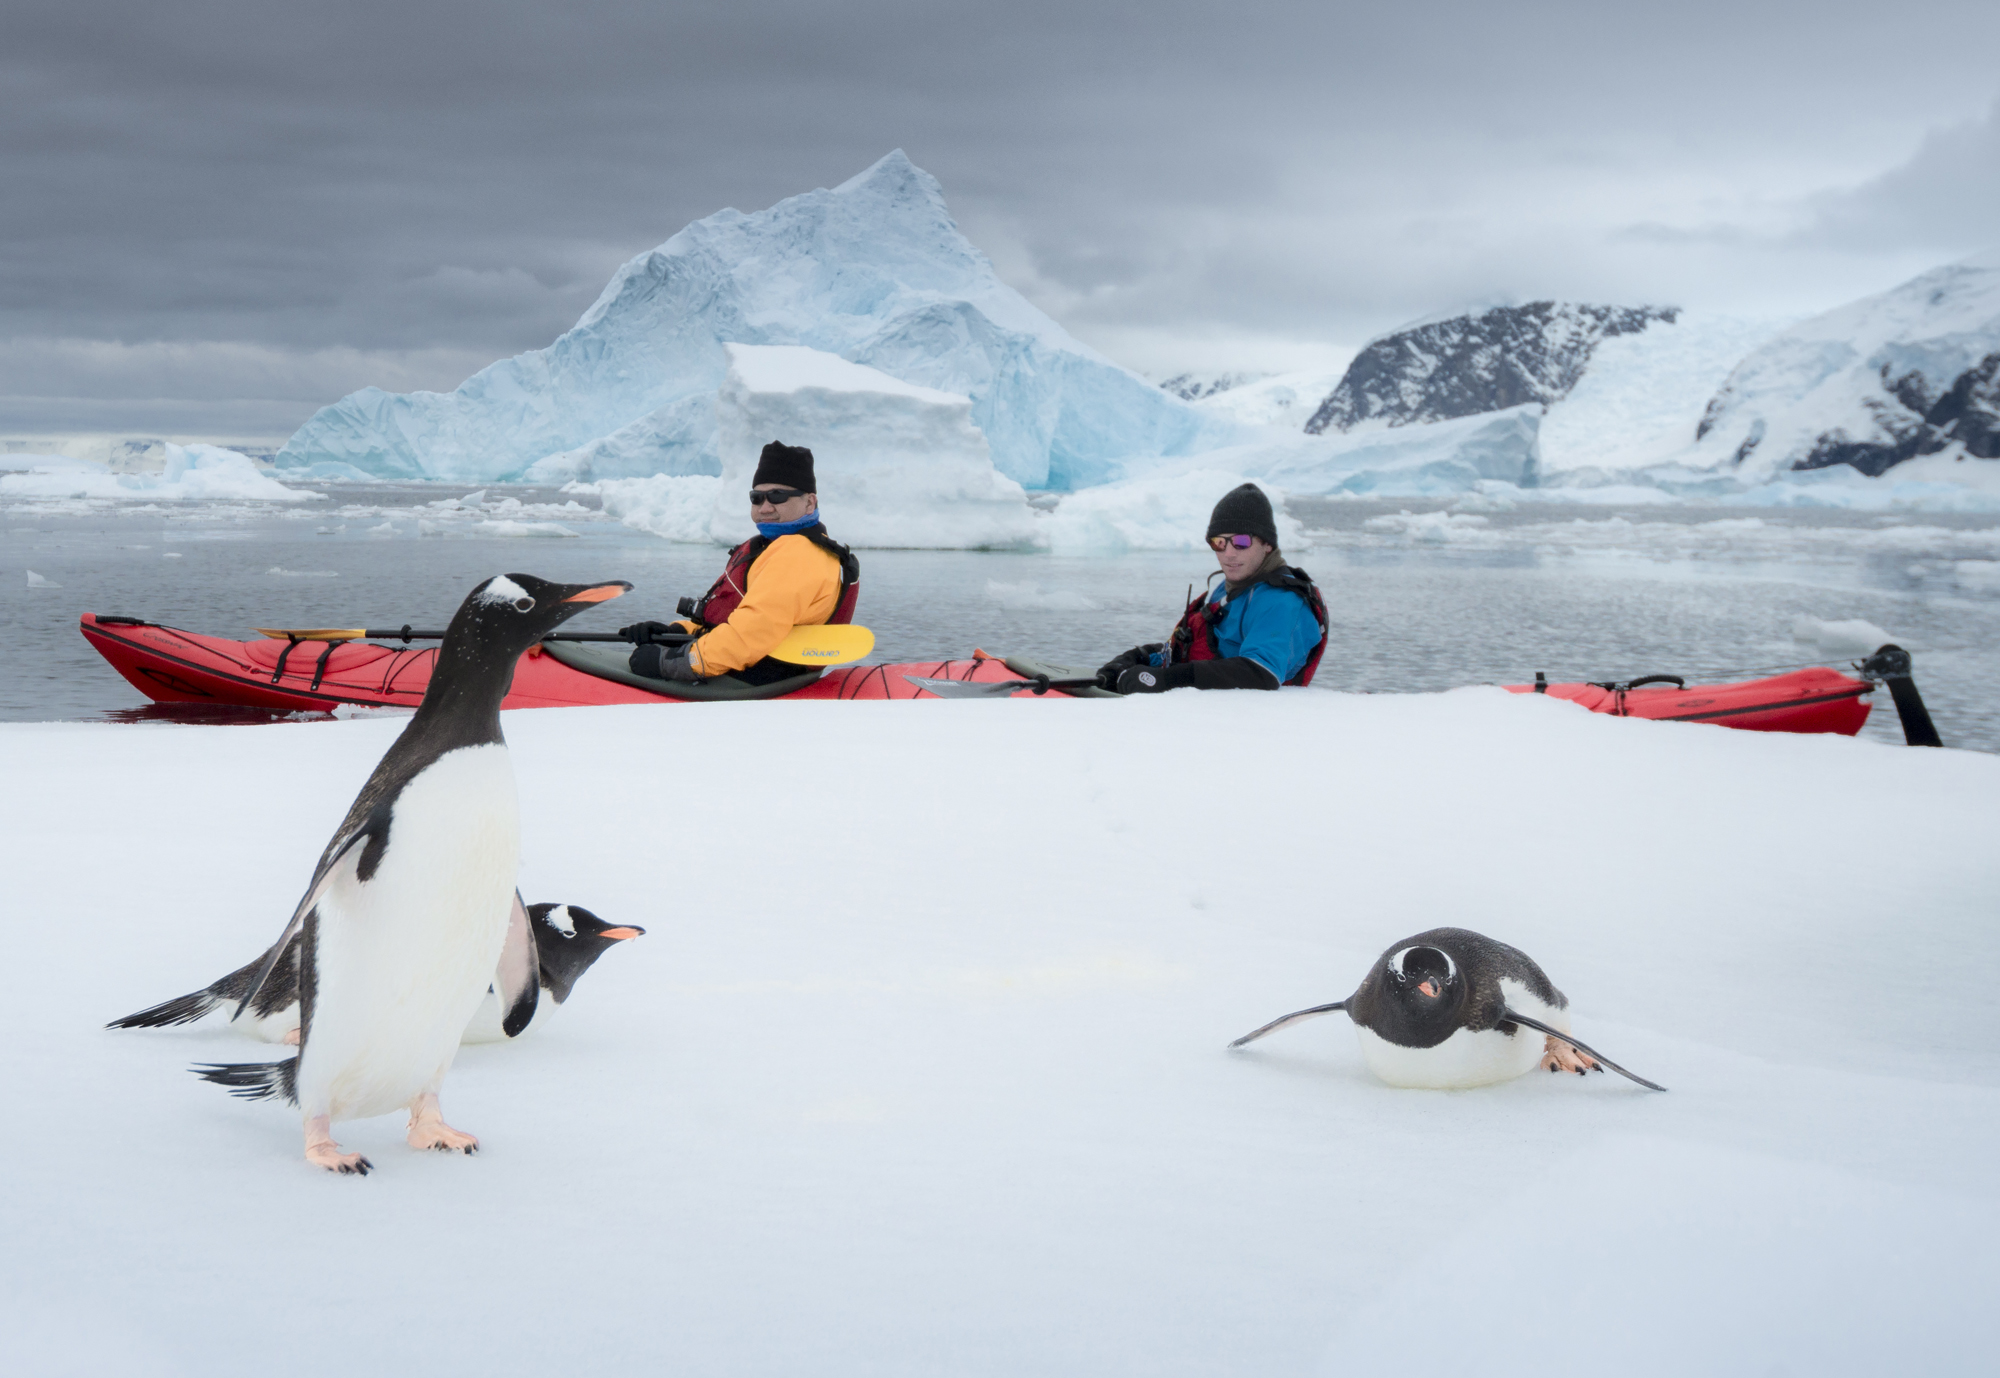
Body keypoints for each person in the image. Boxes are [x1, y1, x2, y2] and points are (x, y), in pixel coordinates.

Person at [620, 441, 859, 685]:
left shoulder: (799, 554)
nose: (765, 507)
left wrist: (675, 662)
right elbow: (733, 621)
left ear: (810, 502)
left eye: (778, 496)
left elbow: (750, 636)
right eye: (757, 498)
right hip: (742, 665)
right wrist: (677, 633)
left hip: (756, 681)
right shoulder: (775, 546)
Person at [1096, 482, 1327, 693]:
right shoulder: (1229, 590)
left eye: (1241, 541)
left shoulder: (1281, 601)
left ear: (1266, 544)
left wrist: (1167, 680)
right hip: (1210, 710)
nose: (1228, 553)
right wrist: (1139, 659)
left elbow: (1260, 674)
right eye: (1219, 542)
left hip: (1250, 724)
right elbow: (1195, 652)